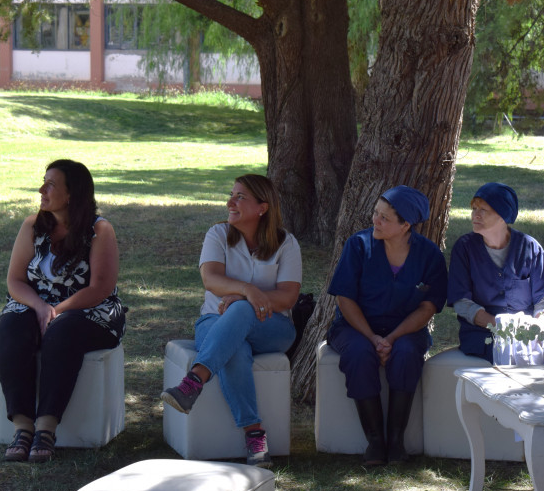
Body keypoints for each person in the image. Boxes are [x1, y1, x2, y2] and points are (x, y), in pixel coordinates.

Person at [161, 174, 301, 468]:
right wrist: (247, 290)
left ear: (262, 207)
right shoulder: (218, 234)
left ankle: (194, 381)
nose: (230, 202)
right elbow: (210, 279)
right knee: (234, 349)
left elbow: (287, 298)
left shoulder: (286, 243)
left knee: (241, 310)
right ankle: (255, 436)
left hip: (272, 328)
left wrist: (245, 299)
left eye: (240, 197)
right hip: (214, 322)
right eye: (231, 195)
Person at [0, 160, 126, 463]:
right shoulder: (33, 225)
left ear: (71, 194)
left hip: (92, 310)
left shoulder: (99, 230)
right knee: (11, 325)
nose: (42, 189)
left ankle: (46, 428)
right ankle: (22, 427)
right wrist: (41, 307)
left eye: (51, 184)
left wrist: (56, 311)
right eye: (43, 182)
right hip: (37, 304)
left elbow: (100, 288)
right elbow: (15, 280)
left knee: (63, 330)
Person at [326, 185, 447, 466]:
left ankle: (396, 441)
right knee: (358, 354)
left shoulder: (429, 256)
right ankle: (375, 442)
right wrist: (372, 338)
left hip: (404, 329)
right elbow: (345, 299)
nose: (375, 221)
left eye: (384, 218)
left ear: (406, 225)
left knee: (405, 354)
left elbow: (428, 307)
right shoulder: (358, 245)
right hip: (355, 326)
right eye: (375, 213)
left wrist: (391, 337)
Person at [447, 182, 544, 363]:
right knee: (510, 356)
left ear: (503, 215)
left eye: (483, 209)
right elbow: (462, 303)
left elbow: (543, 302)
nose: (475, 214)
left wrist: (537, 328)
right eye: (474, 208)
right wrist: (502, 327)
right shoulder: (465, 248)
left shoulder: (530, 248)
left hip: (529, 332)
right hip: (483, 334)